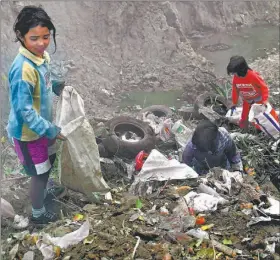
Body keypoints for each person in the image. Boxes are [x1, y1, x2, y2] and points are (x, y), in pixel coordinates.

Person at [7, 5, 66, 224]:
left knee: (48, 163)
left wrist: (56, 86)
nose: (41, 43)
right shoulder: (23, 69)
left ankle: (43, 193)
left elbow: (43, 85)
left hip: (42, 127)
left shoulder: (41, 57)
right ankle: (38, 214)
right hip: (29, 134)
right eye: (34, 38)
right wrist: (51, 129)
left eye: (46, 37)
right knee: (39, 173)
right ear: (21, 36)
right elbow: (24, 111)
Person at [227, 55, 279, 130]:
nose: (234, 75)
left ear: (241, 70)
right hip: (247, 101)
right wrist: (234, 102)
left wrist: (264, 100)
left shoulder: (253, 76)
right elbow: (235, 90)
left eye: (235, 73)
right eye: (233, 73)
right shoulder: (236, 78)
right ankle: (245, 129)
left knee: (266, 113)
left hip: (259, 100)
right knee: (244, 117)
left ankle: (275, 125)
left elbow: (263, 87)